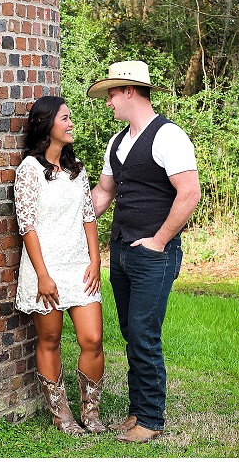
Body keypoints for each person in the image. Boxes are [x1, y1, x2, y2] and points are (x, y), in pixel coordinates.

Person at [88, 61, 201, 444]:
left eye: (111, 95)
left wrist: (159, 240)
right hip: (120, 250)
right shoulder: (117, 142)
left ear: (130, 92)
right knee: (130, 332)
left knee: (143, 332)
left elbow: (189, 193)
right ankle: (138, 411)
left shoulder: (169, 137)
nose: (108, 104)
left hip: (155, 253)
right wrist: (72, 221)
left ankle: (151, 420)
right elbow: (104, 193)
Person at [13, 96, 107, 435]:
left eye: (70, 118)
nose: (71, 124)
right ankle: (61, 414)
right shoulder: (29, 170)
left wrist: (96, 260)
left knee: (92, 339)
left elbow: (87, 216)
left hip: (79, 265)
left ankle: (91, 413)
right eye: (64, 119)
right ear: (46, 124)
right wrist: (42, 275)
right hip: (46, 269)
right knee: (50, 340)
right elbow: (28, 226)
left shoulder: (76, 168)